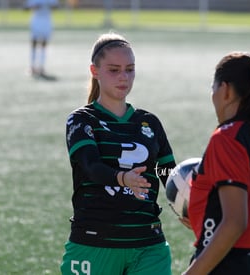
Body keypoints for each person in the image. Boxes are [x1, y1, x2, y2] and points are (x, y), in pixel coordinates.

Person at [60, 32, 176, 275]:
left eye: (130, 69)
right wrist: (123, 179)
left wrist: (190, 197)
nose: (124, 77)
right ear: (95, 71)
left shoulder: (149, 123)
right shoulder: (82, 120)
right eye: (114, 70)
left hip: (148, 244)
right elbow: (90, 167)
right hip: (94, 242)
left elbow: (167, 172)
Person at [182, 52, 250, 275]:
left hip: (229, 263)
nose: (212, 95)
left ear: (226, 91)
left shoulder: (227, 138)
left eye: (214, 88)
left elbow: (235, 223)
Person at [24, 0, 58, 77]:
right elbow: (27, 7)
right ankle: (32, 66)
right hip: (36, 21)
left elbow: (56, 6)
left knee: (44, 44)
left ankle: (41, 67)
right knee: (34, 43)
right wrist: (36, 6)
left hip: (46, 21)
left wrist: (49, 5)